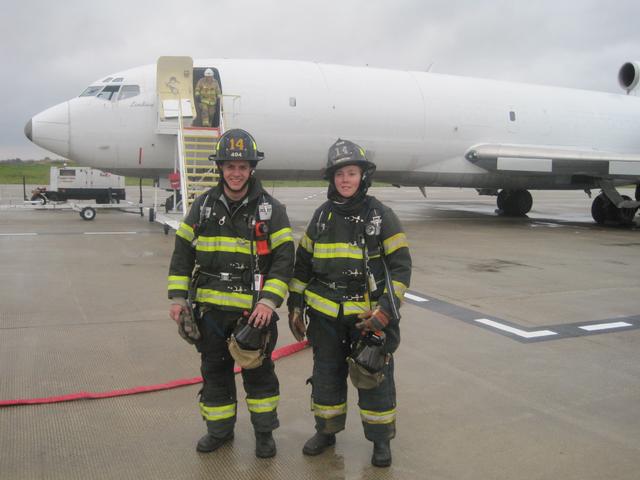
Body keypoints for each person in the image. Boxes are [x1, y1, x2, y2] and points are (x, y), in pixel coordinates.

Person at [168, 128, 294, 458]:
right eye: (229, 166)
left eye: (242, 167)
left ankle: (264, 434)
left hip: (254, 316)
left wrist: (269, 300)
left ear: (252, 169)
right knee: (214, 375)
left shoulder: (271, 210)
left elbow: (284, 259)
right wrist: (178, 299)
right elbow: (182, 253)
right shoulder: (203, 207)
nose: (236, 173)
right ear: (221, 168)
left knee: (260, 377)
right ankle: (220, 432)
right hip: (209, 314)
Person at [287, 139, 411, 467]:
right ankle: (326, 432)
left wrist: (385, 312)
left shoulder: (381, 216)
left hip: (367, 320)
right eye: (340, 174)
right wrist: (295, 306)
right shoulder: (321, 216)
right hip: (326, 318)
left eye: (351, 173)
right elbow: (302, 265)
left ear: (362, 177)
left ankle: (381, 441)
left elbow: (400, 269)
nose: (345, 180)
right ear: (332, 178)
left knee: (373, 379)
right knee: (326, 377)